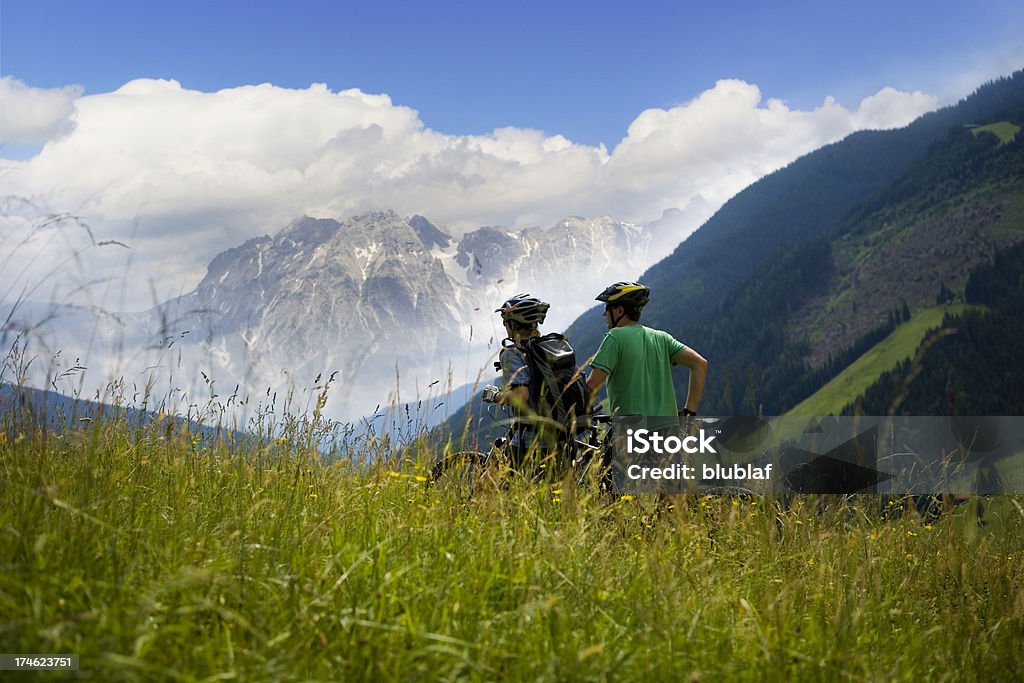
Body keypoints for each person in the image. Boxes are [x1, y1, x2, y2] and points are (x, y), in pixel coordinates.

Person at [586, 281, 707, 419]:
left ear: (619, 311)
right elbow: (700, 364)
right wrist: (689, 413)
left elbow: (592, 385)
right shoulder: (662, 338)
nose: (604, 313)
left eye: (607, 307)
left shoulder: (615, 336)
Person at [481, 293, 556, 466]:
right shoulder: (551, 347)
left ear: (513, 324)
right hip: (563, 433)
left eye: (506, 322)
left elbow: (521, 395)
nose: (505, 326)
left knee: (488, 481)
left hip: (531, 437)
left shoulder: (513, 353)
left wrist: (496, 396)